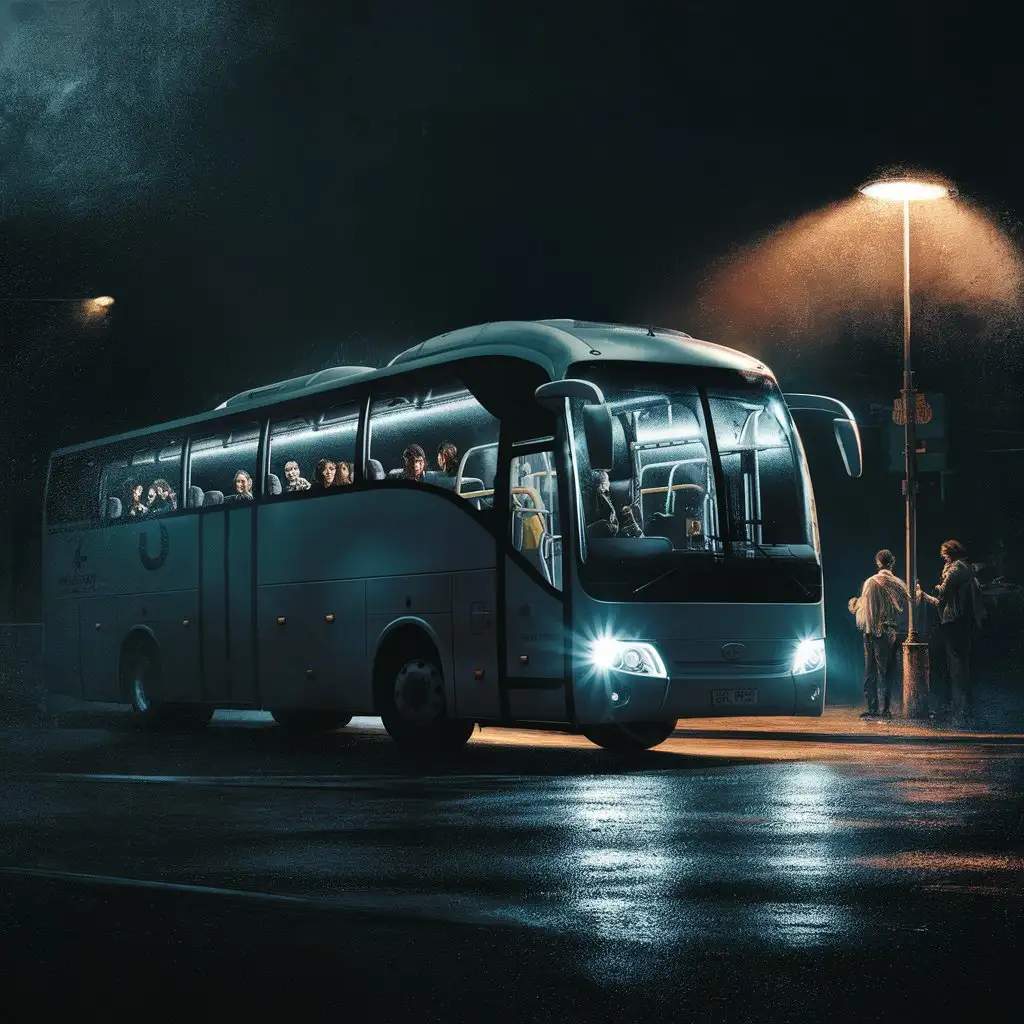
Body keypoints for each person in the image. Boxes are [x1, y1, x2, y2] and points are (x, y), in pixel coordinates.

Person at [917, 539, 986, 724]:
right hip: (964, 621)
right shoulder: (966, 569)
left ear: (951, 554)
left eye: (944, 554)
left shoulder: (955, 571)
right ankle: (963, 707)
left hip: (954, 622)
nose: (943, 557)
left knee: (957, 666)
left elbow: (941, 597)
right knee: (961, 665)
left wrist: (928, 593)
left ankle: (960, 710)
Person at [848, 549, 910, 719]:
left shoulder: (871, 582)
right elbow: (907, 605)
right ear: (892, 563)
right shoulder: (898, 584)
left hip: (871, 632)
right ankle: (887, 709)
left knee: (871, 670)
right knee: (887, 670)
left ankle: (873, 708)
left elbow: (864, 609)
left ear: (878, 563)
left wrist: (853, 605)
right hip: (891, 632)